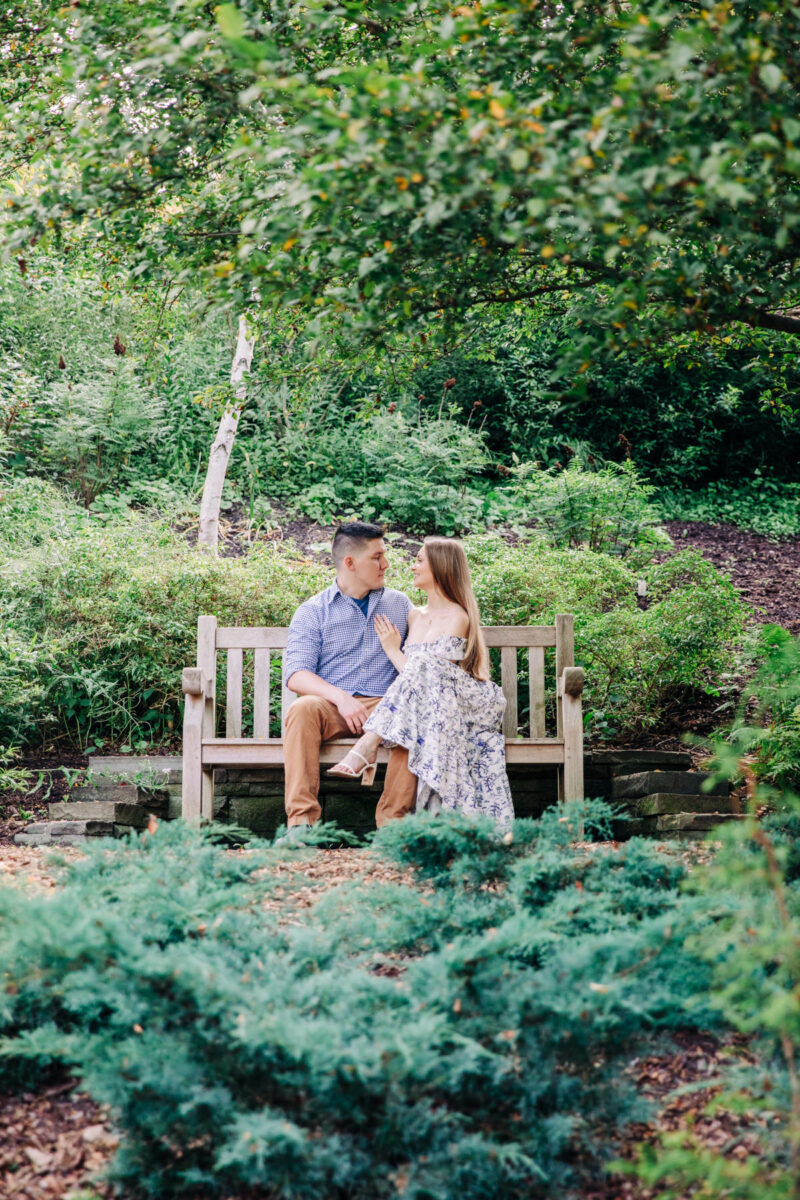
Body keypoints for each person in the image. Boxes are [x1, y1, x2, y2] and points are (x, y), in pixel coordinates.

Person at [328, 537, 514, 825]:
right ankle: (369, 749)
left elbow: (433, 677)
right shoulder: (413, 615)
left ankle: (369, 743)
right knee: (423, 665)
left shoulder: (458, 616)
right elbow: (418, 684)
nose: (412, 566)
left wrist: (392, 650)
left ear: (440, 568)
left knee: (427, 663)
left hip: (463, 701)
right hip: (431, 706)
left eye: (419, 560)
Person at [280, 521, 418, 841]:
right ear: (350, 562)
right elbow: (297, 675)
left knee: (413, 713)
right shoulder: (313, 611)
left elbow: (419, 667)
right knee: (302, 709)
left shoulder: (400, 604)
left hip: (387, 706)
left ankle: (393, 828)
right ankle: (302, 826)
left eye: (385, 555)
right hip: (332, 707)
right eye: (377, 557)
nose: (386, 564)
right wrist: (341, 698)